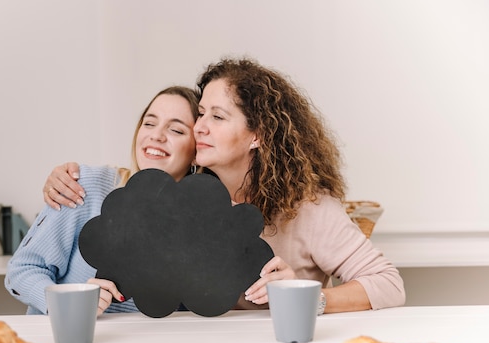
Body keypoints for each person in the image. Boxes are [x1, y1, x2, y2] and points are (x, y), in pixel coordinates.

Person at [43, 57, 406, 314]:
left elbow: (388, 283)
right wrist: (67, 176)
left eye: (217, 117)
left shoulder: (309, 208)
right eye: (201, 114)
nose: (200, 127)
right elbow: (135, 179)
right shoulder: (186, 192)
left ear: (257, 136)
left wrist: (309, 298)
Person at [5, 86, 200, 315]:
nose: (156, 135)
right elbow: (21, 271)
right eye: (149, 123)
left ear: (197, 150)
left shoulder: (198, 221)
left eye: (176, 130)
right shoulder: (85, 185)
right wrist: (71, 302)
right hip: (70, 342)